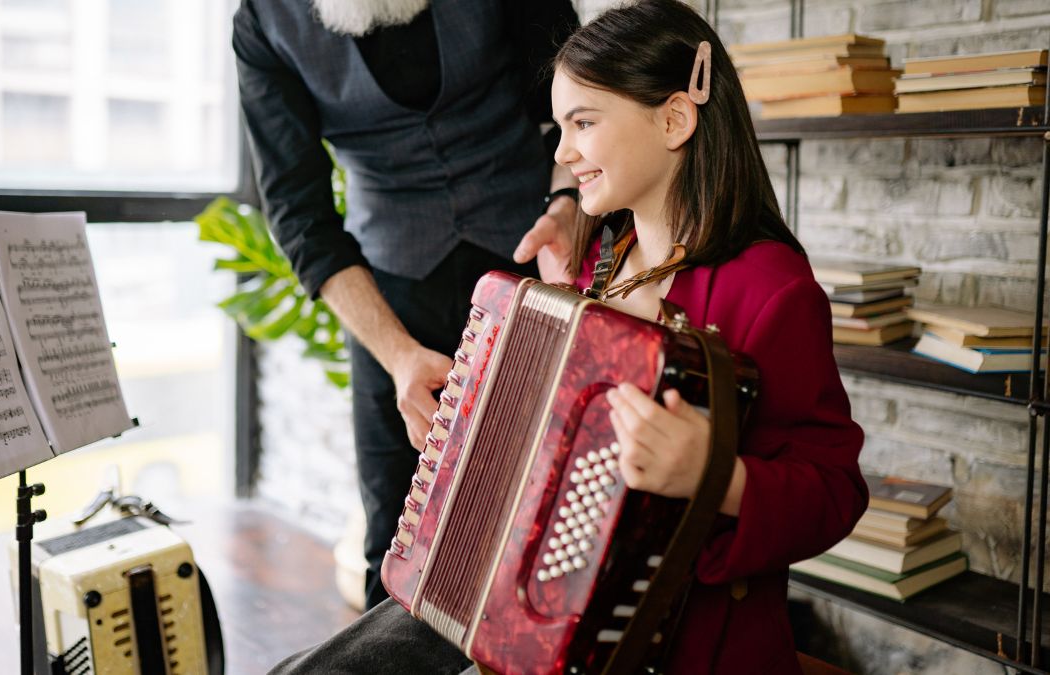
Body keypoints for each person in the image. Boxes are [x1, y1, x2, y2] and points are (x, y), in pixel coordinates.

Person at [270, 1, 867, 673]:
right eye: (558, 126)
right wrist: (466, 424)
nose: (560, 152)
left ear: (674, 119)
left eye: (583, 122)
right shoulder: (598, 267)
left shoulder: (771, 289)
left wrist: (715, 476)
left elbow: (835, 492)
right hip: (541, 605)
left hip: (680, 643)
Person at [231, 0, 580, 611]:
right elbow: (299, 211)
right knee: (398, 550)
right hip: (389, 297)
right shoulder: (264, 19)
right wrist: (396, 355)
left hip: (534, 254)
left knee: (547, 518)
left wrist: (568, 204)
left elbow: (577, 99)